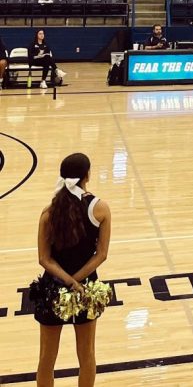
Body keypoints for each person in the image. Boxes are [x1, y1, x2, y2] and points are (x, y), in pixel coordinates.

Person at [35, 152, 111, 387]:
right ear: (87, 175)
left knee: (47, 358)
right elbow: (102, 255)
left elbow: (44, 259)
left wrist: (66, 281)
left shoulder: (49, 212)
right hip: (85, 288)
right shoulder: (101, 209)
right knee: (87, 355)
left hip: (52, 288)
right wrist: (76, 282)